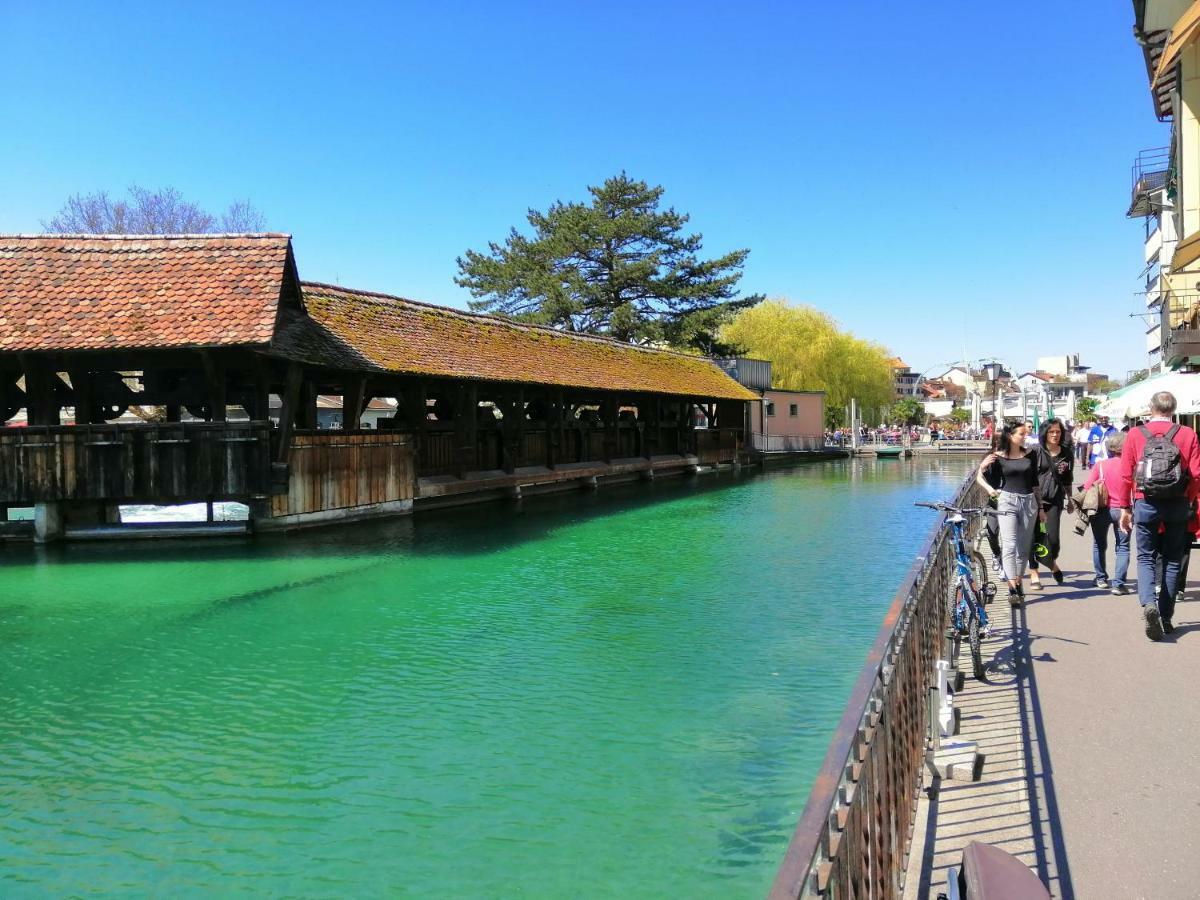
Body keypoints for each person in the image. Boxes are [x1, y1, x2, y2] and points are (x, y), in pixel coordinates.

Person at [1117, 390, 1200, 640]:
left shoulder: (1135, 434)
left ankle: (1148, 604)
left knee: (1145, 557)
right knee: (1173, 559)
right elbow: (1196, 474)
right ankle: (1165, 616)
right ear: (1173, 409)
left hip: (1146, 502)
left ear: (1150, 408)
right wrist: (1190, 498)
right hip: (1177, 503)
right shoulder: (1188, 434)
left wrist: (1125, 506)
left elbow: (1125, 474)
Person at [977, 422, 1043, 606]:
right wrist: (982, 467)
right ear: (1011, 436)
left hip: (1029, 501)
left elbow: (1035, 482)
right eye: (1021, 434)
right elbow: (979, 477)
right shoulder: (997, 457)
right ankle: (1012, 588)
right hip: (1007, 501)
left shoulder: (1030, 454)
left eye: (1025, 433)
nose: (1025, 436)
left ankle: (1019, 581)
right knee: (1009, 545)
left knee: (1023, 548)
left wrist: (1041, 507)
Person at [1081, 432, 1130, 593]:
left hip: (1101, 509)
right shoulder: (1130, 465)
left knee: (1099, 544)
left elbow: (1088, 486)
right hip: (1124, 509)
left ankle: (1101, 579)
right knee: (1123, 546)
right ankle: (1118, 584)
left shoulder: (1100, 466)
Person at [1027, 418, 1073, 590]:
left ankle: (1052, 562)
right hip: (1033, 500)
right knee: (1033, 538)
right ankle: (1034, 574)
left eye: (1058, 432)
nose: (1055, 435)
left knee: (1053, 540)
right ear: (1045, 433)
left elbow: (1068, 478)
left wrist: (1070, 499)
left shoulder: (1066, 453)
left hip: (1055, 500)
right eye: (1052, 432)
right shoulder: (1035, 451)